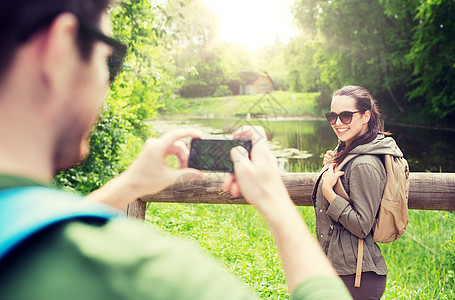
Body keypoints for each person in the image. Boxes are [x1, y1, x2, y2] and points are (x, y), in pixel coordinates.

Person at [0, 0, 352, 299]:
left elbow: (26, 221)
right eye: (110, 59)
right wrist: (275, 197)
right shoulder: (155, 278)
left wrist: (129, 184)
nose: (105, 82)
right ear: (59, 51)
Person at [313, 85, 405, 299]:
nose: (337, 123)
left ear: (365, 116)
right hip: (339, 272)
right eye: (332, 116)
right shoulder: (348, 153)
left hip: (357, 279)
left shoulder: (365, 163)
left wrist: (329, 192)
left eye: (346, 116)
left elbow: (362, 225)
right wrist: (331, 165)